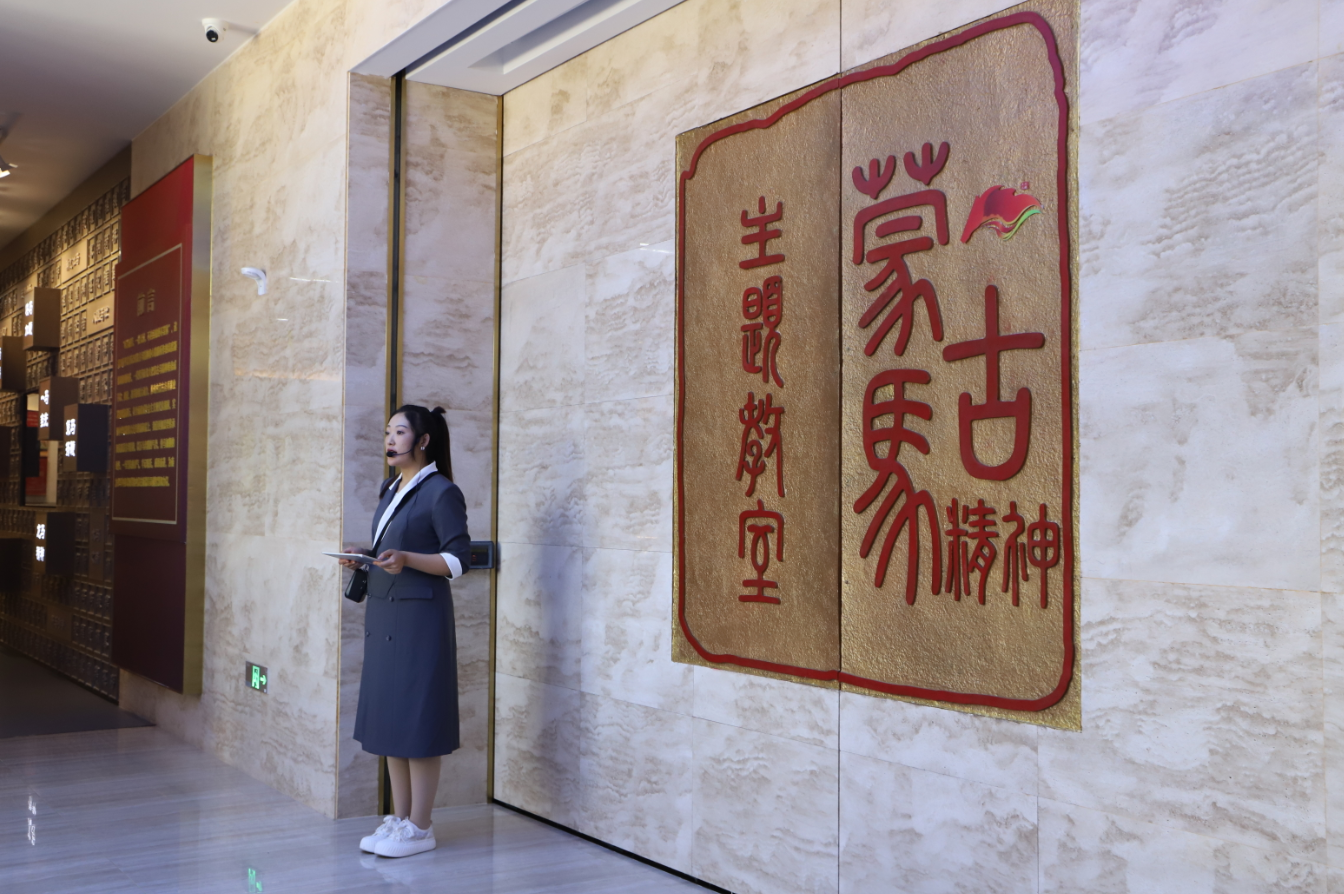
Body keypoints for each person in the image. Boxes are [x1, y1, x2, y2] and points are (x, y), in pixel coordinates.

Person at [340, 404, 471, 858]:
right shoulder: (391, 487)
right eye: (387, 433)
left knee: (418, 721)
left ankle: (421, 826)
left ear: (423, 440)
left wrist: (408, 559)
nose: (390, 441)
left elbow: (457, 561)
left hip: (419, 623)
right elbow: (393, 548)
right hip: (385, 616)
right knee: (390, 722)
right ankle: (400, 820)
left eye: (399, 432)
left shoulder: (442, 492)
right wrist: (365, 554)